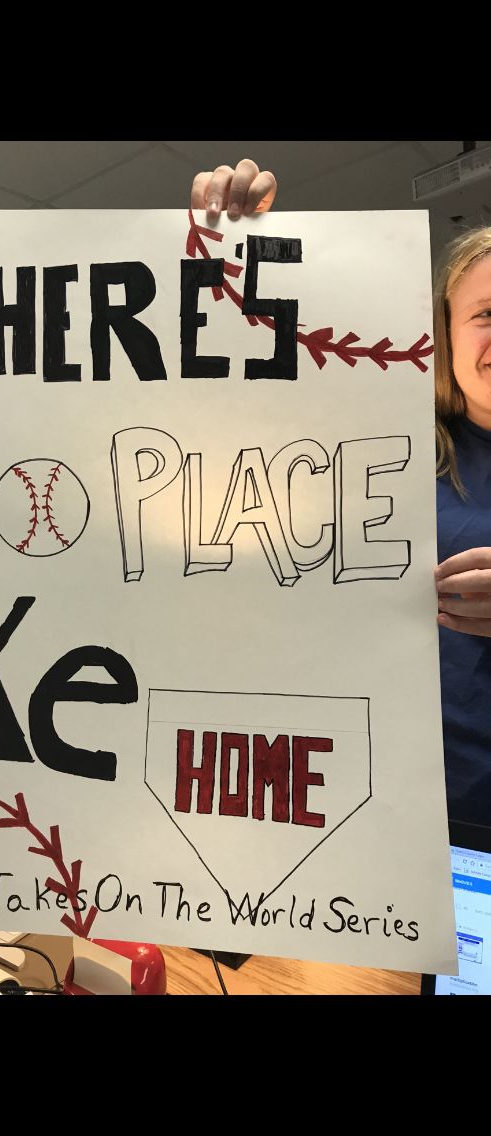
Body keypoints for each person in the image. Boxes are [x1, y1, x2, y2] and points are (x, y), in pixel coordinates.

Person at [191, 158, 491, 826]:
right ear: (445, 331)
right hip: (392, 819)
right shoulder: (382, 454)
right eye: (487, 314)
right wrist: (236, 247)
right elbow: (241, 409)